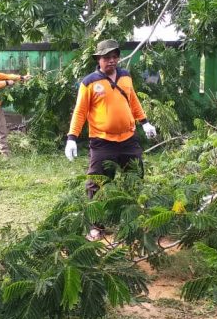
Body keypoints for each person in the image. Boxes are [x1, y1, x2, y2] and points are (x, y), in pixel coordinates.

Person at [64, 39, 157, 238]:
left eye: (115, 57)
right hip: (102, 141)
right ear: (98, 59)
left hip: (128, 139)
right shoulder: (89, 82)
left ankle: (133, 221)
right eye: (107, 57)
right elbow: (80, 112)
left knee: (135, 178)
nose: (112, 61)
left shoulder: (125, 77)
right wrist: (72, 137)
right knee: (97, 182)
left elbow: (133, 100)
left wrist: (145, 121)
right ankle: (95, 225)